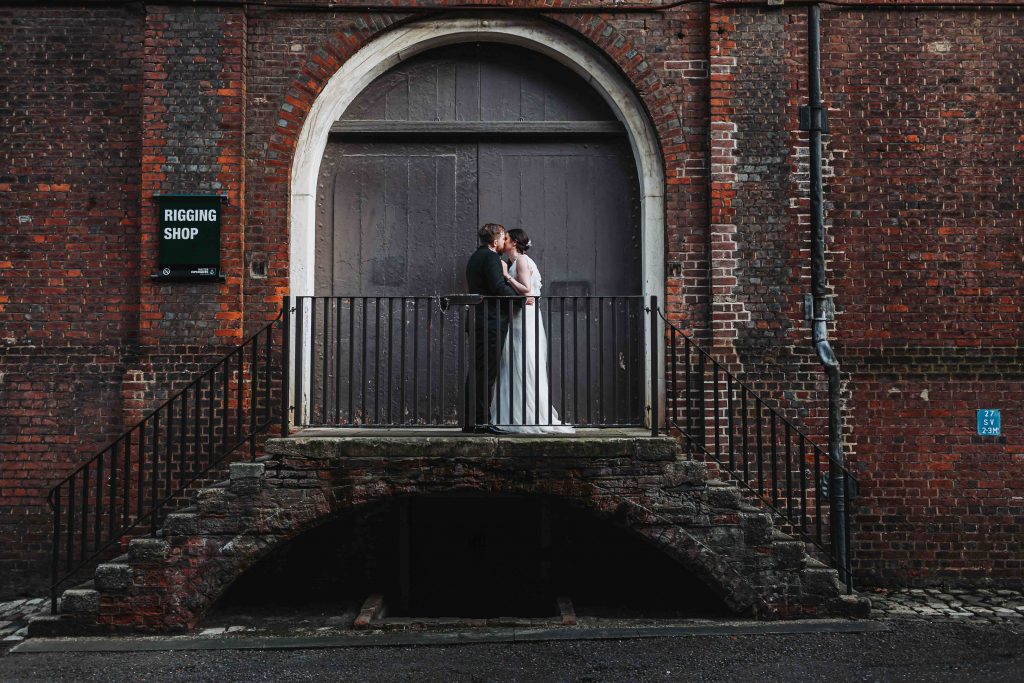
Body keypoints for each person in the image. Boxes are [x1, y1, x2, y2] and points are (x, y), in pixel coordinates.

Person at [489, 229, 574, 434]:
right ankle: (514, 413)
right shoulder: (515, 263)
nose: (503, 241)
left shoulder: (522, 261)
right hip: (519, 316)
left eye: (506, 238)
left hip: (523, 317)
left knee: (523, 362)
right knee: (514, 363)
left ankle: (526, 415)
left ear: (515, 242)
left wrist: (504, 276)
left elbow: (527, 289)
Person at [464, 223, 524, 433]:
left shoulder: (475, 257)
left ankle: (471, 422)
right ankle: (481, 422)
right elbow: (498, 287)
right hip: (489, 320)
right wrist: (521, 300)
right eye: (501, 239)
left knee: (478, 370)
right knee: (485, 372)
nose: (502, 243)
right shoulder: (490, 258)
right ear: (495, 240)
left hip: (479, 319)